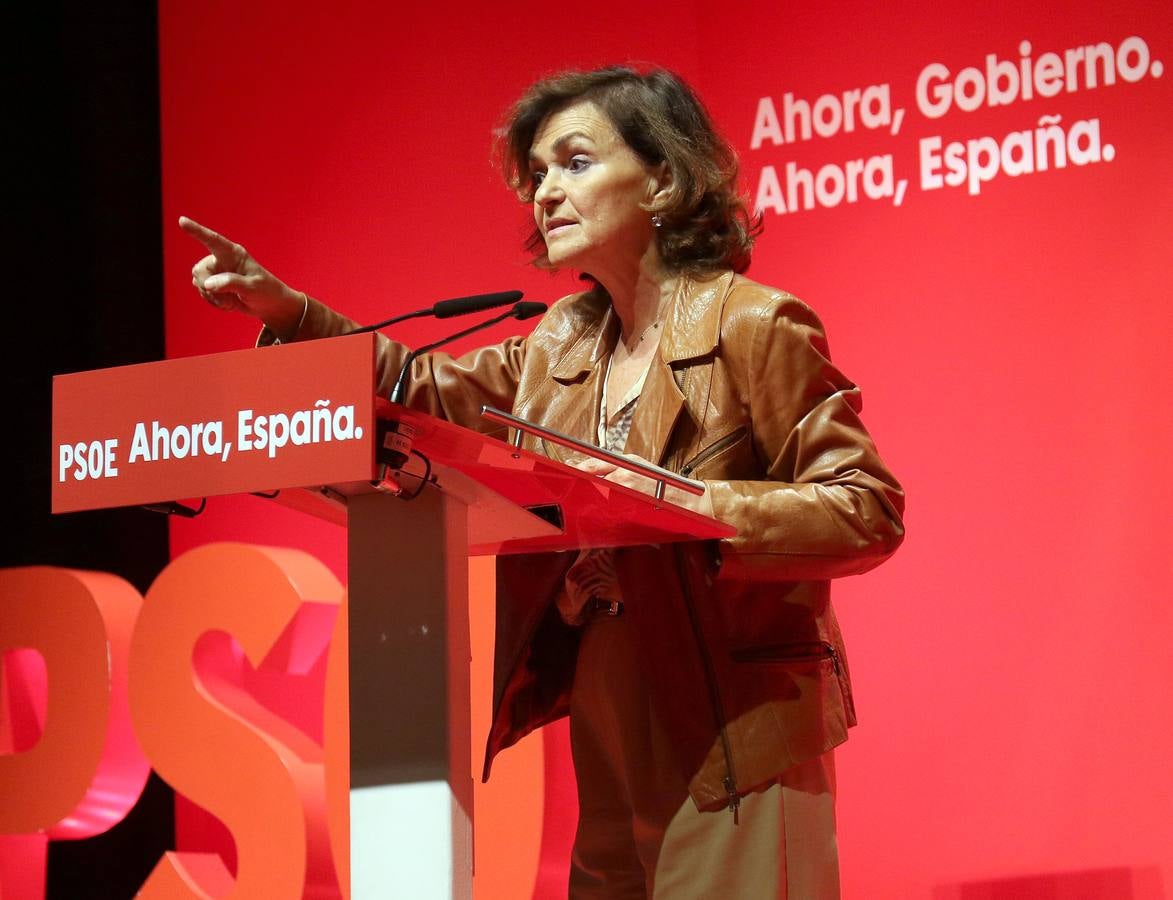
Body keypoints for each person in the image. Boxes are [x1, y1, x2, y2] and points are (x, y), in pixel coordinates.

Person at [181, 64, 904, 899]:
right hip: (603, 698)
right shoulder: (562, 340)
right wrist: (289, 313)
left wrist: (689, 505)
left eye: (574, 162)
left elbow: (865, 507)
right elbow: (421, 391)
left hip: (731, 725)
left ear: (663, 177)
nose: (545, 193)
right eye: (536, 176)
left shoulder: (756, 324)